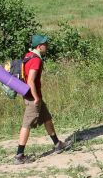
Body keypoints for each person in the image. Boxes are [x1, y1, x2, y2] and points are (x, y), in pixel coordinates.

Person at [14, 34, 71, 164]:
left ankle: (58, 144)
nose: (47, 46)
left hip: (33, 96)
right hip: (32, 98)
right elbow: (30, 81)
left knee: (46, 118)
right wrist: (36, 98)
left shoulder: (28, 55)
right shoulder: (36, 60)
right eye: (45, 44)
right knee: (27, 125)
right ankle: (19, 155)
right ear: (40, 46)